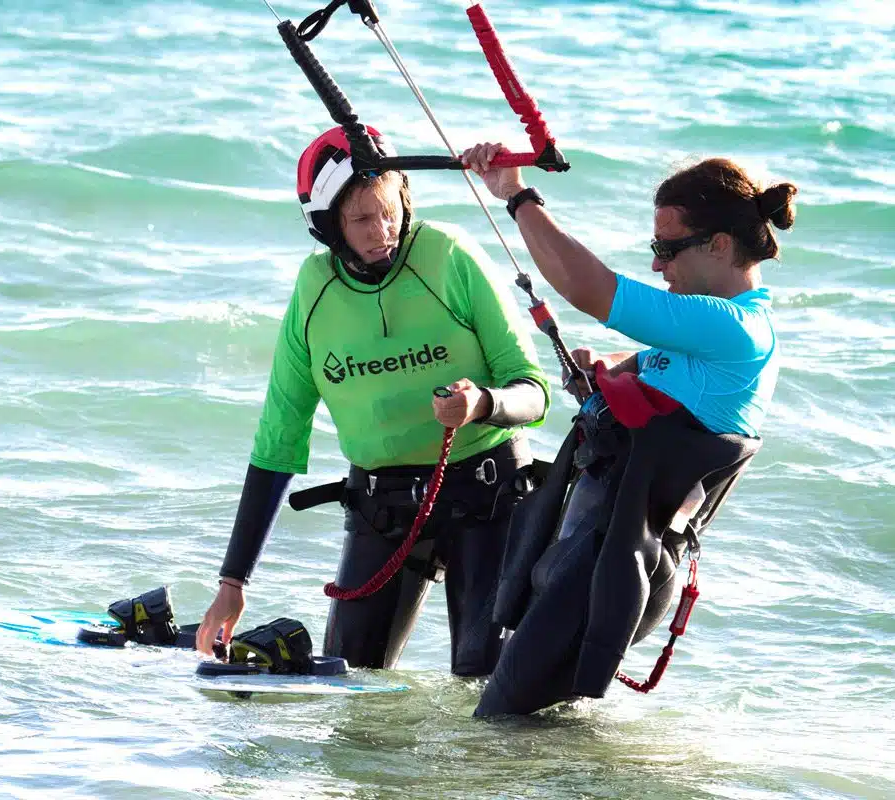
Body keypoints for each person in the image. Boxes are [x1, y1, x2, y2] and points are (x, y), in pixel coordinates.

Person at [194, 126, 551, 677]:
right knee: (350, 682)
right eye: (362, 219)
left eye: (389, 212)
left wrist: (482, 403)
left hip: (490, 494)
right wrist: (232, 583)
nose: (382, 231)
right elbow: (277, 440)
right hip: (382, 506)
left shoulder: (448, 255)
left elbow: (532, 388)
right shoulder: (314, 293)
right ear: (327, 223)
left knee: (486, 685)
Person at [460, 142, 798, 713]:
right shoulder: (702, 337)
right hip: (589, 556)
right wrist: (609, 386)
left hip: (612, 570)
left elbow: (591, 289)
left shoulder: (737, 328)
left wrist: (517, 195)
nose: (657, 265)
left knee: (499, 726)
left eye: (666, 248)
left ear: (718, 245)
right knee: (532, 731)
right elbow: (660, 392)